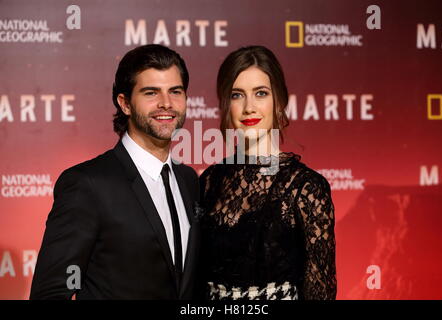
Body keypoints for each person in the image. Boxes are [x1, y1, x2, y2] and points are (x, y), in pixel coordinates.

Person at [30, 44, 201, 300]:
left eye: (175, 91)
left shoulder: (189, 181)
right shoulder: (87, 184)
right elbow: (51, 293)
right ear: (125, 103)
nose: (166, 103)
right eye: (151, 93)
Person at [198, 45, 337, 300]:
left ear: (279, 101)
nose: (249, 107)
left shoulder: (305, 188)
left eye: (260, 93)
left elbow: (319, 292)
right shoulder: (209, 182)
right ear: (225, 104)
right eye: (237, 95)